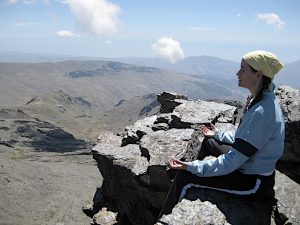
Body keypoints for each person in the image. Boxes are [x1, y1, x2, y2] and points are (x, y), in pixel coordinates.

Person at [158, 50, 285, 219]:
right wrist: (217, 134)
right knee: (209, 142)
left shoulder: (262, 111)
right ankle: (180, 176)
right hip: (248, 163)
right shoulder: (261, 99)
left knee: (185, 177)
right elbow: (246, 138)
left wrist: (192, 168)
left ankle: (164, 217)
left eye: (243, 69)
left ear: (258, 75)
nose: (237, 73)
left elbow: (231, 162)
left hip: (253, 181)